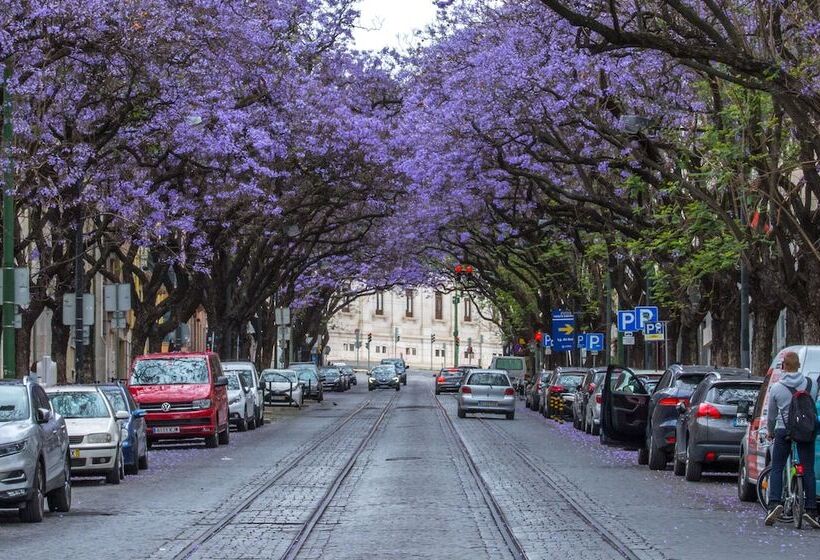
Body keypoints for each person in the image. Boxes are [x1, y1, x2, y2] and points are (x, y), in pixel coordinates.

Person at [765, 351, 820, 527]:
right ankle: (811, 509)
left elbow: (772, 416)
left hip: (783, 431)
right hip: (805, 432)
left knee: (777, 467)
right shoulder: (810, 385)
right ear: (798, 366)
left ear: (784, 367)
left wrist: (770, 431)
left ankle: (774, 503)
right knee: (808, 469)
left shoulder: (776, 388)